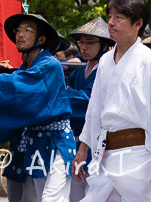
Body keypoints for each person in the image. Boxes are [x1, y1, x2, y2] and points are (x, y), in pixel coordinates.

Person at [0, 11, 75, 201]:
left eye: (28, 30)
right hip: (33, 142)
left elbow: (18, 84)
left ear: (41, 39)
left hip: (56, 141)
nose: (21, 34)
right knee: (33, 198)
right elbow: (8, 100)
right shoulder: (23, 69)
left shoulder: (50, 64)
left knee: (52, 199)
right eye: (18, 30)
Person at [72, 0, 151, 202]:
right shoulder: (106, 60)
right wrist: (82, 150)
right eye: (110, 16)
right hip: (105, 154)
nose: (111, 22)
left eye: (119, 17)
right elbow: (94, 108)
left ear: (138, 24)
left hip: (139, 156)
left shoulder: (147, 60)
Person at [65, 20, 114, 202]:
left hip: (102, 142)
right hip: (77, 141)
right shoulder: (77, 73)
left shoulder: (109, 69)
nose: (84, 47)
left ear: (105, 45)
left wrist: (67, 93)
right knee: (75, 194)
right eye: (81, 42)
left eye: (90, 42)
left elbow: (89, 104)